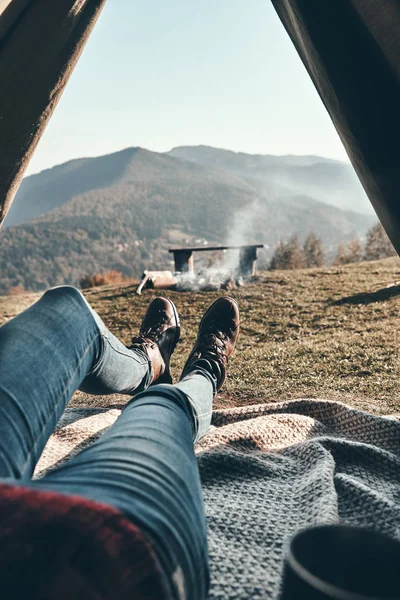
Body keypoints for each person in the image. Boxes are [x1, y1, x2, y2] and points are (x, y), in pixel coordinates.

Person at [0, 285, 240, 599]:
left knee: (68, 308)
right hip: (87, 556)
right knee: (162, 407)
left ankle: (147, 363)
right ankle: (207, 371)